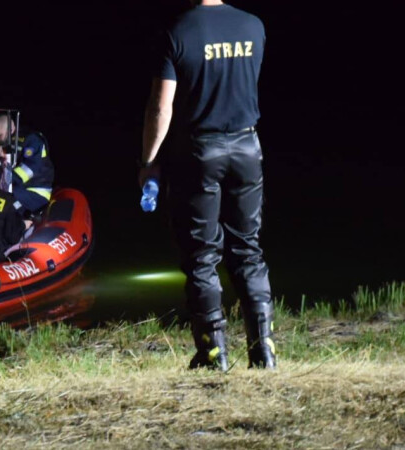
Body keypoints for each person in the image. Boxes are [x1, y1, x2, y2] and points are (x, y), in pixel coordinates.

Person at [138, 0, 273, 370]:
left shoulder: (177, 32)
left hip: (200, 150)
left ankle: (214, 354)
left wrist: (149, 161)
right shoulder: (253, 26)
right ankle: (264, 350)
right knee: (248, 249)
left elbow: (160, 108)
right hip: (248, 146)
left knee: (201, 256)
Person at [0, 115, 54, 217]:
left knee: (3, 200)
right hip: (19, 187)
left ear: (10, 130)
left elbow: (27, 171)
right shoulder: (9, 140)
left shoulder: (32, 140)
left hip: (36, 191)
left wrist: (4, 180)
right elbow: (7, 165)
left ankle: (23, 224)